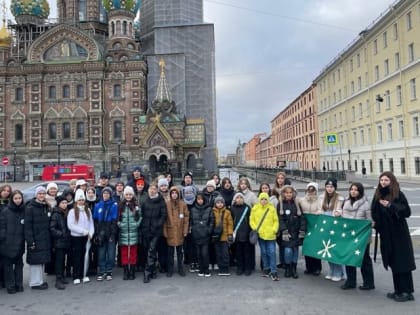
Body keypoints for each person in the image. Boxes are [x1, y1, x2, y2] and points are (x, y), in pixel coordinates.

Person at [371, 172, 416, 302]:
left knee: (402, 262)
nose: (383, 182)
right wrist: (375, 223)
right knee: (394, 262)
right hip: (386, 234)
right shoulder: (378, 195)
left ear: (391, 181)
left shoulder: (398, 194)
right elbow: (375, 212)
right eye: (381, 180)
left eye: (386, 180)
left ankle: (407, 292)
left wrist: (390, 206)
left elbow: (406, 211)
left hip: (399, 234)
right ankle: (398, 290)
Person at [340, 182, 375, 291]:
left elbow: (371, 221)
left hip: (361, 237)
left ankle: (369, 283)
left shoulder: (365, 204)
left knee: (364, 259)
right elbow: (342, 218)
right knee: (348, 258)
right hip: (348, 236)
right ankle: (351, 281)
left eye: (356, 190)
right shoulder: (345, 202)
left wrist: (365, 226)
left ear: (360, 191)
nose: (353, 191)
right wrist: (338, 214)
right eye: (352, 189)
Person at [318, 178, 345, 282]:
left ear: (335, 187)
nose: (329, 189)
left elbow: (341, 210)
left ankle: (339, 273)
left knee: (335, 250)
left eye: (332, 187)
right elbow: (319, 209)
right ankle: (331, 271)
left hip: (335, 226)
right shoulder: (321, 197)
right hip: (325, 226)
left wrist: (339, 212)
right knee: (327, 249)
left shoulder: (340, 198)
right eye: (328, 186)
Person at [140, 183, 167, 283]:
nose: (152, 190)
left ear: (157, 190)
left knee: (151, 250)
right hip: (146, 229)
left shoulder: (161, 201)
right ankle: (153, 270)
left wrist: (157, 224)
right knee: (149, 250)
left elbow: (163, 215)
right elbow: (142, 214)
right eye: (151, 189)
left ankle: (147, 273)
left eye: (154, 189)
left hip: (156, 230)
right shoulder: (146, 201)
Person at [25, 186, 51, 290]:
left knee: (40, 260)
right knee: (35, 261)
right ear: (36, 195)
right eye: (40, 194)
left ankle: (39, 281)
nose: (42, 195)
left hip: (43, 238)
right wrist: (30, 241)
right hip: (35, 239)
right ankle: (35, 283)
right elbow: (27, 226)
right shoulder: (30, 207)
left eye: (43, 193)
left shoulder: (44, 206)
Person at [67, 189, 94, 285]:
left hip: (87, 237)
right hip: (76, 237)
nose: (81, 202)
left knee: (85, 256)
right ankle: (76, 276)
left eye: (82, 200)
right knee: (77, 256)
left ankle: (84, 274)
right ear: (76, 201)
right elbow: (71, 225)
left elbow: (91, 223)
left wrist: (91, 232)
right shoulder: (72, 211)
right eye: (79, 200)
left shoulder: (88, 210)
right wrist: (83, 231)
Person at [0, 190, 25, 294]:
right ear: (12, 199)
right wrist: (4, 239)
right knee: (8, 266)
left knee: (19, 265)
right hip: (7, 243)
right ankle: (10, 286)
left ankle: (19, 284)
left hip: (19, 242)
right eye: (16, 198)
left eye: (19, 198)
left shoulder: (24, 210)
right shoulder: (5, 211)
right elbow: (2, 227)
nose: (18, 200)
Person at [278, 185, 305, 279]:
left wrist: (302, 229)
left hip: (296, 231)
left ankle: (294, 268)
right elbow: (280, 219)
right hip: (287, 232)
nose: (289, 194)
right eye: (287, 193)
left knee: (295, 250)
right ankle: (288, 267)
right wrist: (284, 230)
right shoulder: (281, 204)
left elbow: (302, 217)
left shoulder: (296, 203)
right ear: (283, 194)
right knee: (287, 250)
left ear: (293, 193)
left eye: (290, 192)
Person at [250, 192, 279, 281]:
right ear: (259, 199)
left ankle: (273, 271)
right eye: (262, 199)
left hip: (270, 235)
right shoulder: (255, 208)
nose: (263, 201)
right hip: (261, 234)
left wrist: (274, 229)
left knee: (272, 252)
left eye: (265, 199)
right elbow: (252, 220)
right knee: (264, 253)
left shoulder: (271, 209)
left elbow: (276, 220)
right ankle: (266, 269)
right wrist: (255, 228)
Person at [93, 187, 118, 281]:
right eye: (104, 193)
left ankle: (109, 271)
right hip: (100, 232)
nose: (105, 195)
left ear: (110, 195)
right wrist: (97, 233)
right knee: (101, 253)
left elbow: (114, 220)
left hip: (110, 231)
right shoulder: (97, 205)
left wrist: (112, 234)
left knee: (111, 254)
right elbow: (95, 220)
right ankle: (101, 271)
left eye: (107, 194)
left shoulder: (114, 205)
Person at [163, 186, 189, 277]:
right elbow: (164, 219)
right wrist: (165, 231)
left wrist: (185, 230)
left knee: (179, 252)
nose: (174, 195)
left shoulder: (183, 204)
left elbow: (186, 218)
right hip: (170, 230)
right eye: (172, 193)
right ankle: (170, 270)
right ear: (170, 194)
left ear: (178, 194)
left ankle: (180, 269)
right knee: (170, 253)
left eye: (176, 193)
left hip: (180, 231)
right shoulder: (167, 204)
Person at [118, 186, 141, 280]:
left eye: (130, 194)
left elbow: (140, 216)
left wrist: (136, 224)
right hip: (123, 232)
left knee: (132, 253)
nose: (128, 196)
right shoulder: (121, 205)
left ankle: (132, 271)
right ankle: (125, 272)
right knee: (124, 253)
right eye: (126, 194)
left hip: (133, 232)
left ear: (133, 195)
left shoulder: (136, 205)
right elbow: (117, 217)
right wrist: (119, 224)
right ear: (124, 195)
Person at [298, 182, 322, 276]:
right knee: (307, 246)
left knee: (315, 247)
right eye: (309, 190)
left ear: (316, 191)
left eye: (313, 190)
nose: (311, 192)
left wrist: (317, 213)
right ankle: (309, 267)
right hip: (306, 226)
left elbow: (322, 209)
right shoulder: (301, 200)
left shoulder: (320, 200)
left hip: (316, 226)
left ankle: (317, 268)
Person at [49, 195, 71, 290]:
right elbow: (52, 228)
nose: (65, 204)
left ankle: (62, 277)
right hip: (59, 242)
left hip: (66, 241)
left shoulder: (66, 212)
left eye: (66, 203)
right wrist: (62, 234)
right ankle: (58, 280)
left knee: (63, 260)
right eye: (63, 203)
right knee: (59, 261)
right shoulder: (56, 214)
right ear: (59, 204)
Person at [190, 192, 214, 277]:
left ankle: (206, 270)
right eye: (198, 199)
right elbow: (191, 222)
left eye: (201, 199)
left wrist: (209, 230)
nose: (200, 201)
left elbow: (211, 221)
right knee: (198, 253)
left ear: (204, 200)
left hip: (205, 235)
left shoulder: (209, 209)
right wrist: (193, 230)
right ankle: (201, 269)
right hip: (196, 234)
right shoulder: (192, 209)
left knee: (205, 253)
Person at [230, 192, 252, 276]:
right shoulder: (232, 208)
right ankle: (240, 267)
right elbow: (230, 221)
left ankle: (247, 268)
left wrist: (250, 231)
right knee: (238, 253)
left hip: (246, 233)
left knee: (247, 252)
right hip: (236, 234)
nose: (239, 199)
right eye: (237, 197)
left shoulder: (247, 208)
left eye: (241, 197)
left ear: (243, 199)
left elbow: (250, 220)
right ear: (235, 199)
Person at [212, 196, 233, 276]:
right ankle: (220, 267)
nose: (219, 204)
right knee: (218, 253)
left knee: (225, 253)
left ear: (223, 203)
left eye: (221, 202)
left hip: (225, 237)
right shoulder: (212, 211)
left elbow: (230, 224)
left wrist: (230, 234)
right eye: (218, 203)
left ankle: (225, 268)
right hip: (216, 237)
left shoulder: (227, 212)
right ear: (215, 204)